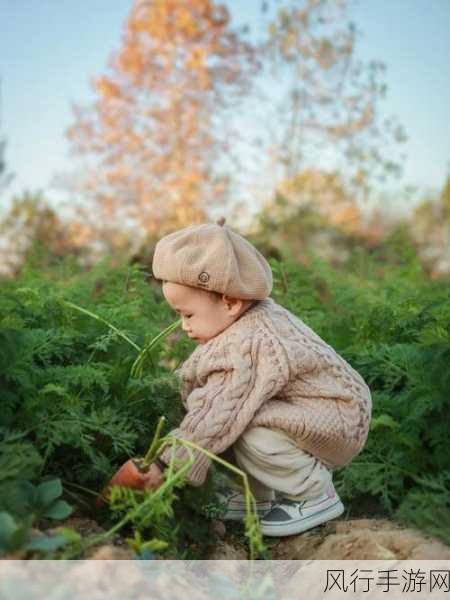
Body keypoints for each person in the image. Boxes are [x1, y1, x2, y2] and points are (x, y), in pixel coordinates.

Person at [140, 217, 372, 537]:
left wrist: (167, 466)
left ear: (231, 302)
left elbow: (218, 409)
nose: (183, 325)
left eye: (188, 314)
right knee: (243, 416)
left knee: (240, 420)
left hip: (336, 414)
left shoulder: (250, 341)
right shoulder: (242, 322)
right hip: (312, 409)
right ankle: (258, 498)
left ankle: (314, 494)